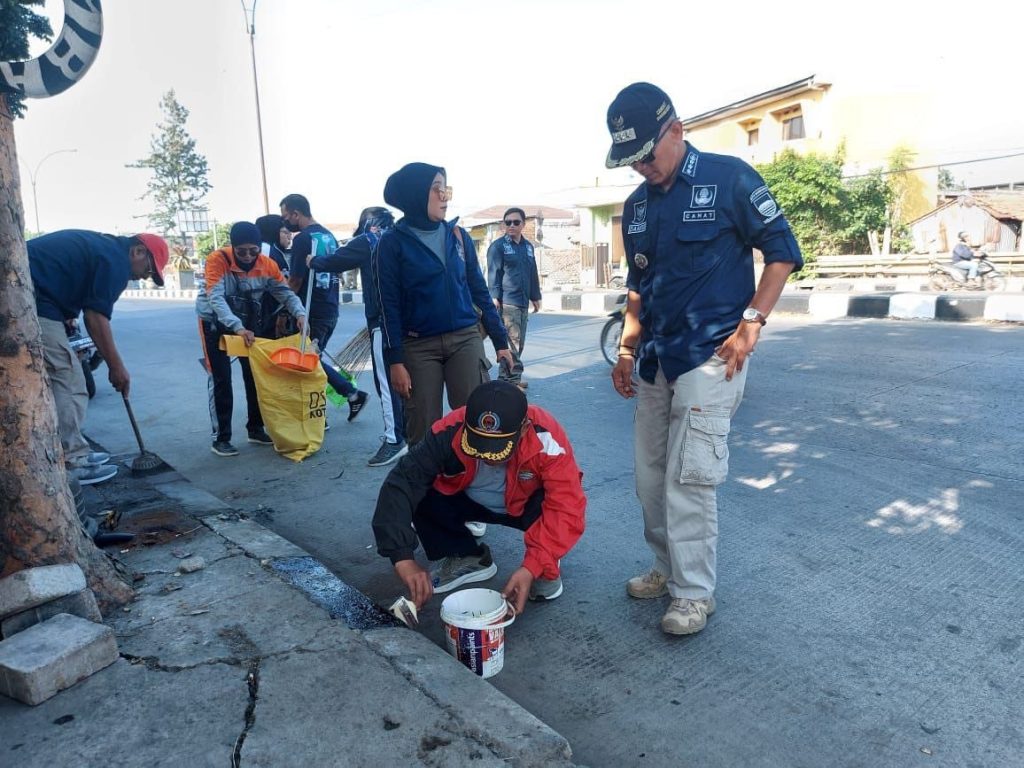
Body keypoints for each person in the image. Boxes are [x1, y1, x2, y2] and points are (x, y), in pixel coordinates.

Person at [604, 82, 804, 635]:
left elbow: (783, 252)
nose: (641, 166)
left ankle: (694, 594)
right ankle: (668, 571)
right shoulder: (636, 205)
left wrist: (752, 325)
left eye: (647, 152)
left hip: (709, 358)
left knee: (688, 480)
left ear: (676, 130)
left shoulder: (730, 178)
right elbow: (638, 287)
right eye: (631, 159)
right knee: (649, 481)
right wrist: (626, 347)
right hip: (655, 361)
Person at [372, 380, 586, 615]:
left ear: (524, 428)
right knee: (420, 487)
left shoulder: (546, 436)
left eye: (498, 448)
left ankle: (545, 560)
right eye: (479, 445)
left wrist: (533, 565)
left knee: (554, 504)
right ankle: (466, 555)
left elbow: (567, 507)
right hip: (470, 502)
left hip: (525, 506)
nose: (487, 456)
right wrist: (402, 557)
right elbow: (401, 482)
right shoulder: (448, 429)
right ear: (466, 424)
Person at [374, 162, 515, 446]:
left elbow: (479, 291)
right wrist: (395, 361)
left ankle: (473, 483)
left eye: (446, 189)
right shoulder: (391, 244)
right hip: (418, 347)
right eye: (436, 189)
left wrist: (501, 340)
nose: (444, 197)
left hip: (465, 338)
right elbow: (387, 307)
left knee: (477, 419)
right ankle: (426, 488)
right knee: (424, 428)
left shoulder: (458, 236)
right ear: (415, 194)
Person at [27, 229, 169, 485]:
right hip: (30, 295)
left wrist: (65, 313)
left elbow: (72, 281)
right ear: (137, 251)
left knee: (63, 377)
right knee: (68, 378)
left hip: (38, 294)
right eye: (148, 269)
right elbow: (95, 318)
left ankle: (69, 449)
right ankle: (72, 462)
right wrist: (117, 367)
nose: (144, 276)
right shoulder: (115, 262)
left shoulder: (107, 250)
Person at [308, 206, 408, 467]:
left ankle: (394, 439)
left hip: (383, 321)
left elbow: (334, 261)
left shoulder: (369, 240)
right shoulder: (402, 236)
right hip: (411, 322)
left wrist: (312, 261)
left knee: (387, 383)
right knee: (409, 381)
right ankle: (409, 434)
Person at [196, 221, 307, 457]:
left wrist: (300, 314)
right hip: (215, 324)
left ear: (259, 247)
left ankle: (255, 428)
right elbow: (215, 299)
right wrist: (237, 327)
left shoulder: (268, 265)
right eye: (241, 251)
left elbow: (286, 294)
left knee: (255, 376)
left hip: (246, 324)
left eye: (252, 250)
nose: (247, 256)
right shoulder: (217, 260)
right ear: (233, 247)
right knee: (221, 379)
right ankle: (221, 437)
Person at [280, 193, 369, 423]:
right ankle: (345, 397)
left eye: (286, 216)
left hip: (311, 312)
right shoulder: (328, 236)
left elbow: (297, 280)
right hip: (330, 306)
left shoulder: (302, 240)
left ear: (296, 214)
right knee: (311, 359)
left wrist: (283, 302)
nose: (285, 222)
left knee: (309, 361)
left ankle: (349, 395)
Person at [487, 207, 542, 389]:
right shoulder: (498, 247)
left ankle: (510, 379)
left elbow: (532, 272)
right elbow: (494, 272)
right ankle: (510, 381)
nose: (511, 225)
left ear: (523, 224)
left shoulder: (528, 247)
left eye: (515, 222)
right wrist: (494, 297)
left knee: (519, 344)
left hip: (523, 302)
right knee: (511, 344)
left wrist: (536, 296)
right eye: (507, 222)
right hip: (507, 303)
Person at [255, 214, 294, 338]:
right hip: (265, 313)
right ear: (273, 231)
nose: (289, 236)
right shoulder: (266, 251)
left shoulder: (272, 250)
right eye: (285, 232)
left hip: (265, 312)